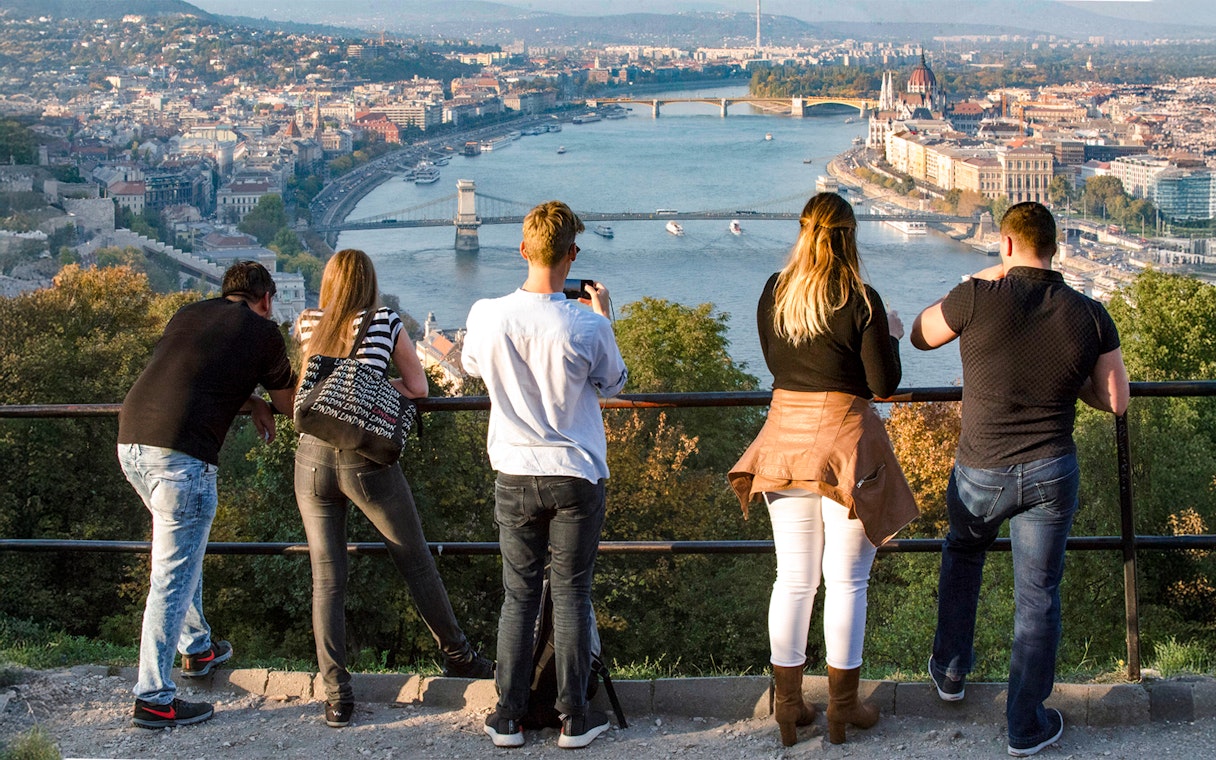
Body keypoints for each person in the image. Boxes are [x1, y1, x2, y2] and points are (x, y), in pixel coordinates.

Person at [911, 201, 1130, 758]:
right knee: (1037, 598)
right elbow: (1115, 398)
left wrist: (988, 274)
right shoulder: (1090, 313)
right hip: (1050, 471)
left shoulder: (977, 297)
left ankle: (951, 672)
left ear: (1005, 244)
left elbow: (919, 334)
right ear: (1055, 249)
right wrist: (1071, 380)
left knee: (963, 557)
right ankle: (1025, 724)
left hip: (980, 469)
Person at [728, 192, 918, 747]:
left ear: (804, 232)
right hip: (845, 448)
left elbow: (776, 363)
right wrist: (892, 337)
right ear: (849, 236)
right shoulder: (862, 299)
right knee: (847, 582)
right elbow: (883, 385)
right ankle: (841, 708)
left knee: (793, 579)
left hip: (784, 441)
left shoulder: (775, 292)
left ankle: (788, 706)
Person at [293, 248, 493, 729]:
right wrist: (376, 392)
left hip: (311, 457)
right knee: (415, 560)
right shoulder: (383, 321)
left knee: (327, 577)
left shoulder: (306, 323)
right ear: (369, 282)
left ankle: (337, 695)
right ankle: (459, 657)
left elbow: (309, 384)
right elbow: (419, 386)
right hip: (364, 458)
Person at [461, 201, 628, 750]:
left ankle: (507, 716)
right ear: (572, 255)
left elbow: (470, 366)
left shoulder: (487, 314)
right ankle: (574, 719)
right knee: (573, 595)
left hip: (513, 470)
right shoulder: (584, 322)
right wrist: (604, 315)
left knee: (519, 596)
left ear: (523, 250)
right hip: (575, 474)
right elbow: (615, 382)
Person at [118, 260, 296, 729]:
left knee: (182, 554)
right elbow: (289, 403)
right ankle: (154, 696)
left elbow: (196, 377)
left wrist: (247, 399)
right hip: (182, 456)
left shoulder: (188, 315)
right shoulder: (264, 333)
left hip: (132, 442)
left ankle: (198, 649)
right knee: (170, 577)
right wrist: (266, 398)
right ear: (266, 299)